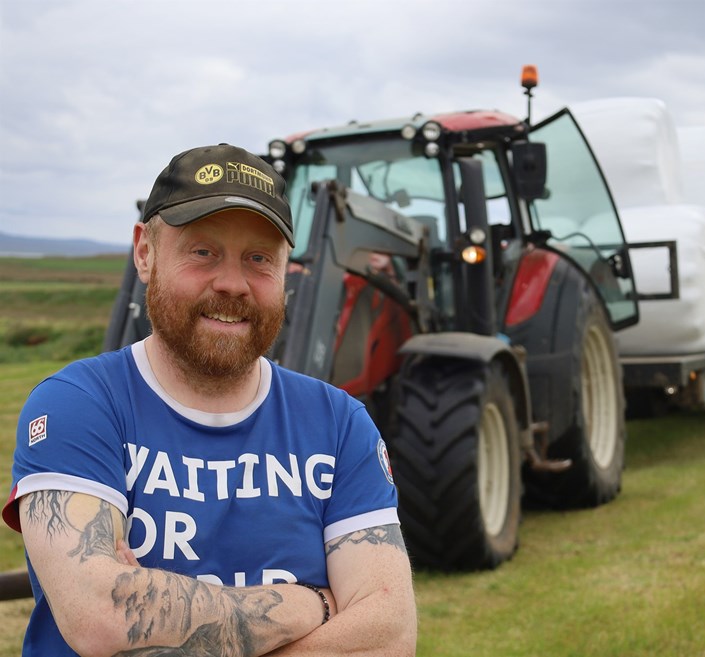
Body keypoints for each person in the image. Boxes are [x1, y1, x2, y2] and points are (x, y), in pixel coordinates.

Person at [2, 144, 417, 656]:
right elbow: (104, 618)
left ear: (287, 269)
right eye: (203, 252)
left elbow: (390, 634)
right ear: (145, 253)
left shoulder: (339, 424)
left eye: (259, 259)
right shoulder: (78, 406)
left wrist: (157, 610)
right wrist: (311, 604)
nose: (232, 283)